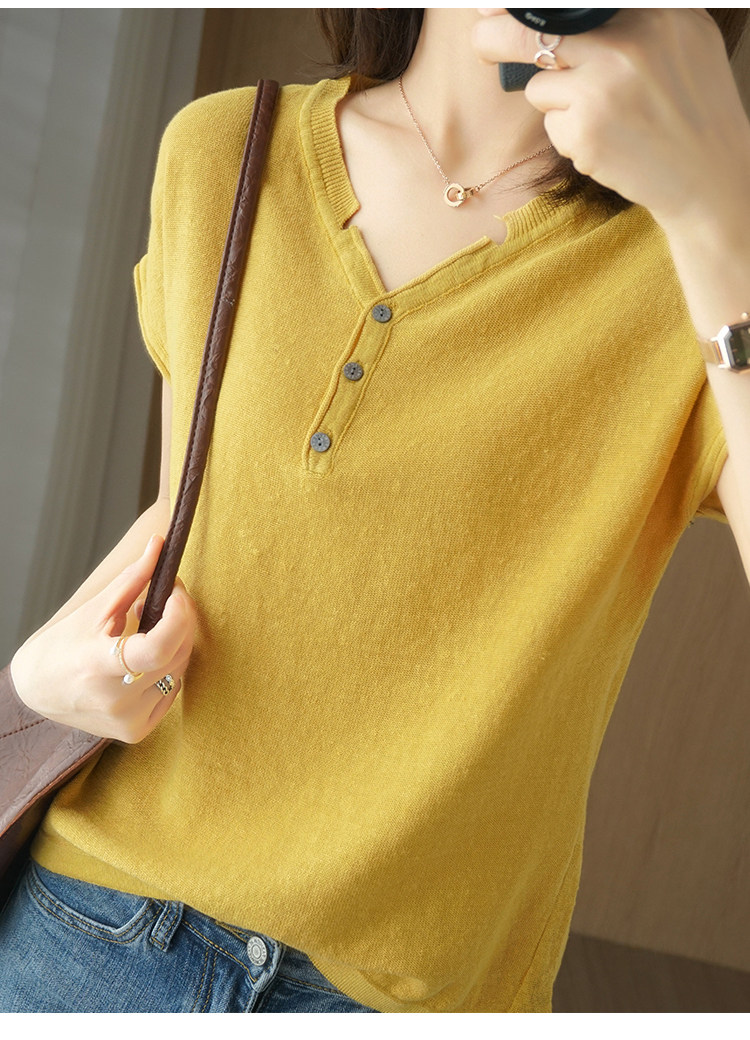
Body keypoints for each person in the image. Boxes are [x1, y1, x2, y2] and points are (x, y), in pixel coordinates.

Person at [1, 7, 749, 1014]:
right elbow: (207, 522)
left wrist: (716, 207)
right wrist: (40, 678)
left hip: (409, 994)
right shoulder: (224, 149)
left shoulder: (699, 260)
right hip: (93, 928)